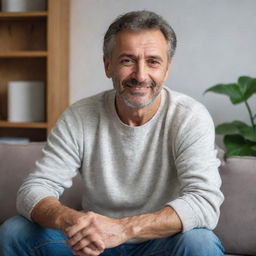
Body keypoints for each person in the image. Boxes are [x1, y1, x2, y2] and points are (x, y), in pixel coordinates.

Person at [0, 10, 224, 256]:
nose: (140, 75)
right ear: (108, 65)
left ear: (166, 69)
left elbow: (204, 203)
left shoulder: (189, 117)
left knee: (199, 242)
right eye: (127, 60)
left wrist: (123, 229)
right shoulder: (80, 115)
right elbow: (35, 188)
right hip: (92, 243)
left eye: (153, 62)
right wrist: (71, 221)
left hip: (160, 243)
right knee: (15, 231)